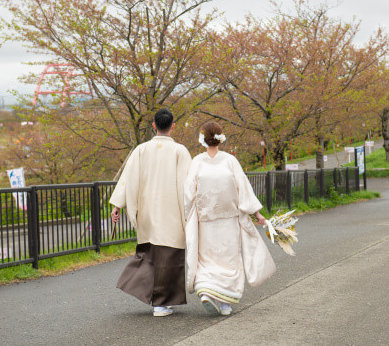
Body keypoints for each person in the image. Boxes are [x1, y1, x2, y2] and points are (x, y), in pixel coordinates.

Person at [184, 121, 276, 316]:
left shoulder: (197, 162)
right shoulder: (229, 161)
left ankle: (206, 291)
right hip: (229, 220)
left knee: (207, 259)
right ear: (220, 137)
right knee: (229, 260)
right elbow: (244, 189)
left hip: (205, 220)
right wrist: (257, 214)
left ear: (202, 138)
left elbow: (188, 194)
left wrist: (188, 217)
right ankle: (225, 303)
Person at [110, 108, 191, 317]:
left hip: (146, 208)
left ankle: (157, 299)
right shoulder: (180, 151)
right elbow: (188, 185)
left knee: (150, 252)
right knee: (170, 255)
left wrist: (117, 205)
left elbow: (128, 179)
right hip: (172, 209)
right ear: (173, 126)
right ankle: (161, 303)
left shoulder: (141, 150)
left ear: (154, 125)